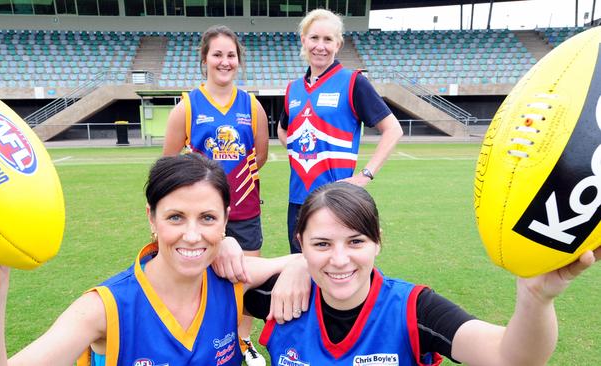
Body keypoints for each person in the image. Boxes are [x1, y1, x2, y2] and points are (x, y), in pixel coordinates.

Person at [0, 154, 303, 366]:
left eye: (208, 218)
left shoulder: (231, 277)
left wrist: (301, 265)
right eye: (176, 217)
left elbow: (321, 263)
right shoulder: (105, 307)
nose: (193, 235)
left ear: (226, 218)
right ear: (151, 218)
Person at [246, 182, 601, 365]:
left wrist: (536, 299)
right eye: (321, 244)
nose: (339, 259)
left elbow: (512, 358)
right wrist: (280, 261)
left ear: (377, 242)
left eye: (355, 241)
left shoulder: (415, 309)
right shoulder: (280, 295)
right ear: (300, 242)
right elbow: (201, 273)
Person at [162, 24, 269, 365]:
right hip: (202, 214)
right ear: (205, 59)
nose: (225, 62)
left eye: (231, 55)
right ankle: (202, 339)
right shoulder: (187, 106)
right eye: (217, 54)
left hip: (245, 210)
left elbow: (260, 156)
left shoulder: (252, 107)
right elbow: (167, 164)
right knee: (199, 278)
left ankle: (243, 340)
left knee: (245, 279)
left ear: (239, 61)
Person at [277, 9, 404, 254]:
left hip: (336, 201)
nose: (320, 46)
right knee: (301, 272)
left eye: (328, 39)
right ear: (304, 40)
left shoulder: (353, 82)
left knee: (335, 275)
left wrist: (365, 175)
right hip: (298, 201)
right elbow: (284, 131)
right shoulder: (293, 89)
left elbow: (393, 129)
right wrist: (302, 150)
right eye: (314, 38)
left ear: (338, 44)